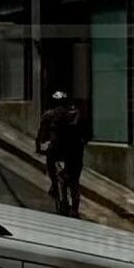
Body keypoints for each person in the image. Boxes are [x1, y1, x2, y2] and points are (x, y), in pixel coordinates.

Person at [37, 89, 92, 217]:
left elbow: (41, 134)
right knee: (74, 180)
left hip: (57, 150)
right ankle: (74, 209)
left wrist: (39, 146)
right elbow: (86, 134)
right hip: (76, 152)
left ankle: (56, 189)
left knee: (54, 168)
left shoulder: (49, 115)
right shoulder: (76, 113)